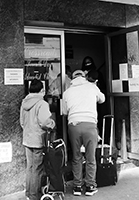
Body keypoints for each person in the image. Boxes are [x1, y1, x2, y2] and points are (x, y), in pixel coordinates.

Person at [62, 70, 105, 196]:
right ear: (85, 77)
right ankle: (90, 186)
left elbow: (64, 112)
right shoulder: (92, 87)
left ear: (72, 79)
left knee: (76, 157)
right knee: (90, 157)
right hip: (90, 125)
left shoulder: (67, 92)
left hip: (74, 126)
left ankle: (77, 186)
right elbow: (102, 99)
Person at [20, 79, 55, 200]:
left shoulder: (24, 102)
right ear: (41, 90)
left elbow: (22, 122)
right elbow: (45, 122)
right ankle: (34, 195)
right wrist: (52, 124)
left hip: (27, 138)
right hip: (38, 139)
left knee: (30, 167)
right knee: (37, 168)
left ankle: (29, 194)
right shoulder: (42, 103)